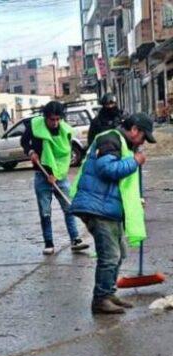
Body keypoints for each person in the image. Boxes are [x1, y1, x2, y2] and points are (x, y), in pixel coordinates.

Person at [70, 113, 153, 314]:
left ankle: (108, 293)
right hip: (97, 207)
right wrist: (134, 161)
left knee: (119, 254)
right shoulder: (110, 139)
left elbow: (123, 182)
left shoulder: (122, 143)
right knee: (110, 256)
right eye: (143, 136)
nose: (143, 142)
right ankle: (100, 300)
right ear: (134, 130)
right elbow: (107, 169)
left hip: (109, 207)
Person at [20, 101, 89, 255]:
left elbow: (65, 155)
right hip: (41, 174)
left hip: (60, 175)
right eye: (52, 119)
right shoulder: (35, 126)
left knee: (68, 208)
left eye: (58, 119)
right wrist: (31, 152)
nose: (55, 123)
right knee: (45, 211)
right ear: (45, 117)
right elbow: (24, 141)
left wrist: (56, 175)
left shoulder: (65, 131)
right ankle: (49, 242)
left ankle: (75, 239)